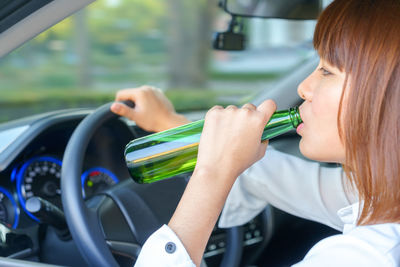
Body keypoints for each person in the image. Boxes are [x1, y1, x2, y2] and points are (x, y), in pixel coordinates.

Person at [111, 0, 400, 266]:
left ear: (386, 99)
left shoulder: (365, 256)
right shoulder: (381, 196)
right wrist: (170, 123)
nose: (303, 88)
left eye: (327, 71)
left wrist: (211, 176)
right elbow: (283, 180)